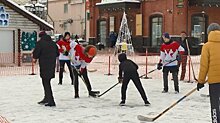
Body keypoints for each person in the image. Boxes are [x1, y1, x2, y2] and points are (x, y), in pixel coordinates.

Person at [197, 23, 220, 123]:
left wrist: (201, 81)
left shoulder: (207, 46)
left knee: (215, 104)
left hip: (214, 82)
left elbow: (204, 66)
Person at [33, 34, 59, 107]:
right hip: (51, 65)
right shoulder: (53, 44)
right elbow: (57, 54)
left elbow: (36, 54)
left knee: (46, 82)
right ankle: (46, 98)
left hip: (44, 65)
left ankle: (51, 100)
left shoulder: (40, 43)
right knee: (47, 81)